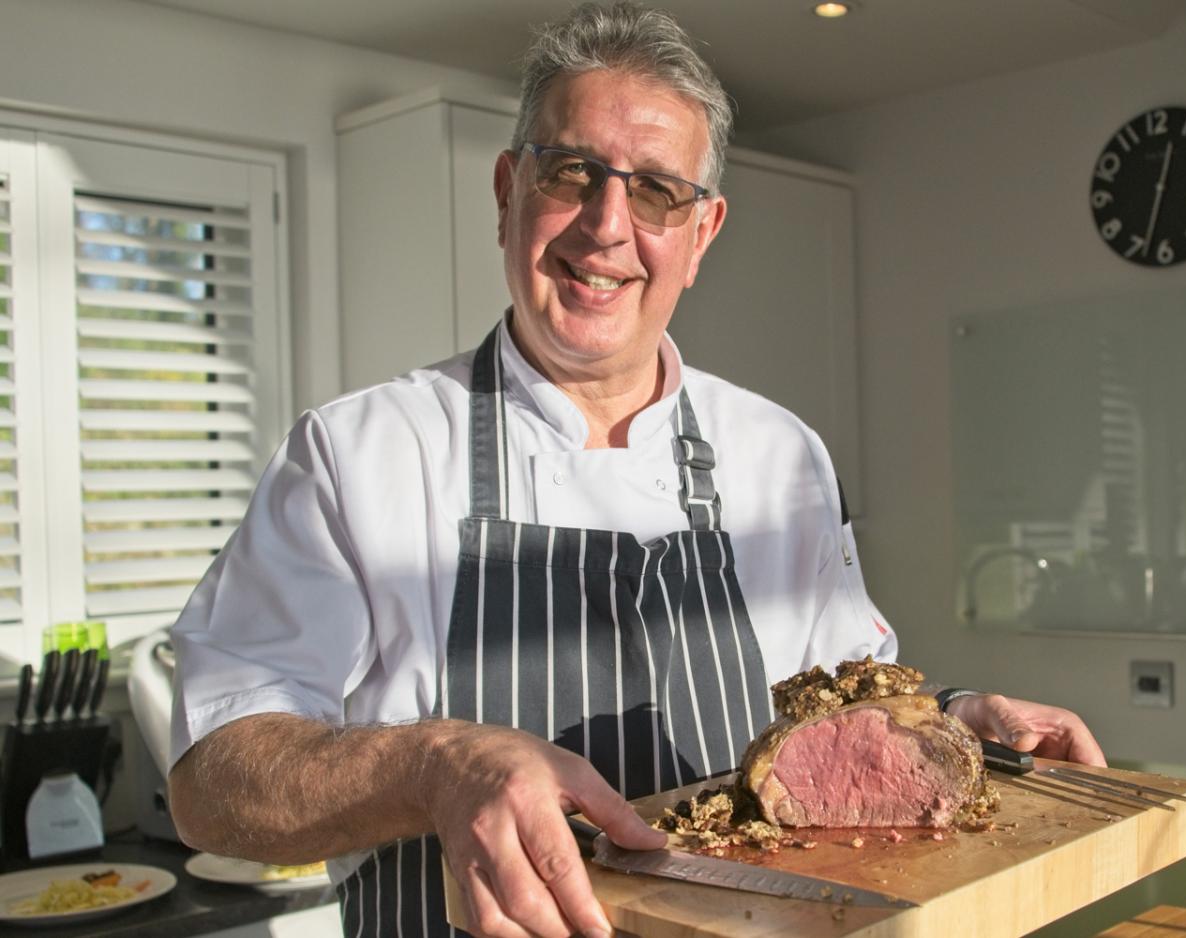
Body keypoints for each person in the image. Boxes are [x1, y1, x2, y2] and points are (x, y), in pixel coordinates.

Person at [166, 4, 1105, 937]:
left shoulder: (781, 456)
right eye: (572, 171)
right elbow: (212, 781)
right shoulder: (358, 454)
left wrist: (954, 716)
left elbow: (846, 688)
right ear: (507, 190)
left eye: (656, 190)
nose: (606, 226)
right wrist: (436, 765)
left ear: (702, 233)